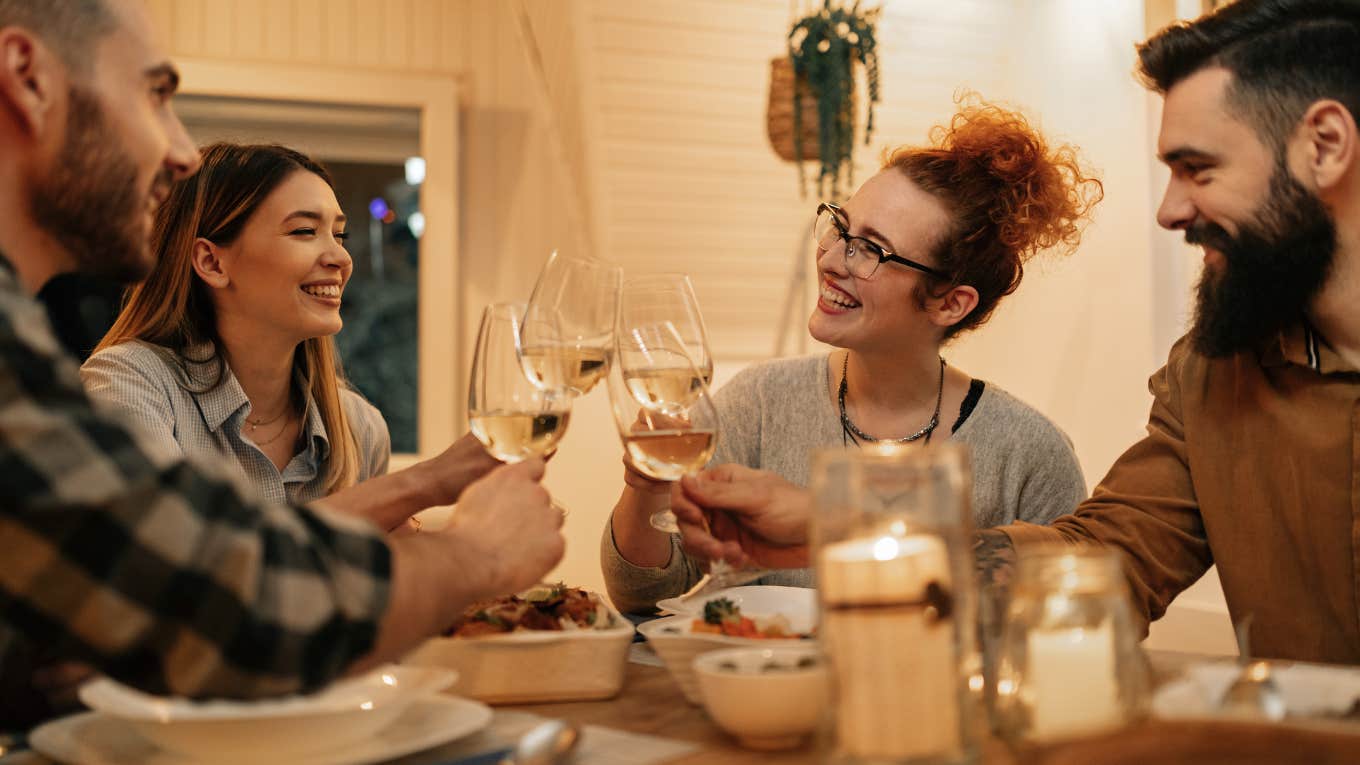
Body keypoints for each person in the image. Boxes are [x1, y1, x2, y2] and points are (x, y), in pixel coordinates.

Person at [671, 0, 1360, 666]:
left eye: (1198, 169)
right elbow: (1103, 563)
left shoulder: (1036, 438)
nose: (1170, 210)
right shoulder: (1213, 377)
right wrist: (836, 527)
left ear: (1326, 146)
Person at [0, 0, 563, 728]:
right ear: (27, 77)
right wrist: (474, 552)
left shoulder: (354, 421)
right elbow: (216, 597)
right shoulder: (114, 381)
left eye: (338, 231)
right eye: (156, 94)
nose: (180, 152)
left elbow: (92, 639)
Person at [603, 97, 1102, 614]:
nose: (832, 259)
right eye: (840, 228)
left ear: (950, 303)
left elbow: (1070, 629)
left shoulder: (1029, 453)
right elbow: (641, 595)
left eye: (872, 249)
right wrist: (646, 488)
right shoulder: (759, 403)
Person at [80, 142, 495, 530]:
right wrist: (423, 484)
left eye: (339, 234)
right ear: (211, 261)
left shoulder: (359, 429)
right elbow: (173, 556)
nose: (340, 257)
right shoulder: (127, 384)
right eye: (303, 232)